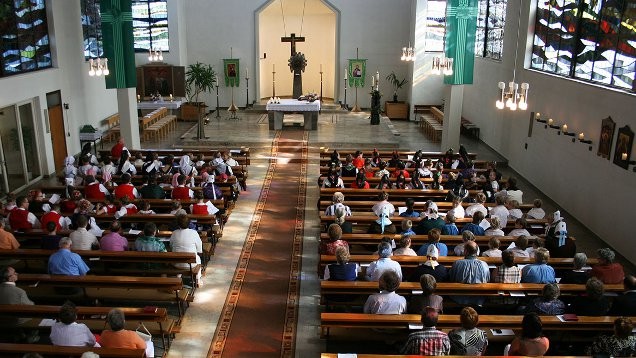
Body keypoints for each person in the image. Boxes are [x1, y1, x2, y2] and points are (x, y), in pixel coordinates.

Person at [0, 266, 37, 343]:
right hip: (16, 321)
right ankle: (31, 336)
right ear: (10, 278)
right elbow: (30, 307)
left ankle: (19, 334)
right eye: (14, 273)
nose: (17, 274)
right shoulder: (20, 292)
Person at [170, 215, 203, 282]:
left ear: (178, 224)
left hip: (176, 263)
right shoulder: (194, 232)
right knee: (198, 258)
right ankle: (198, 279)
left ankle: (178, 276)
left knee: (180, 256)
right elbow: (199, 249)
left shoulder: (174, 233)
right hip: (191, 264)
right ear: (189, 223)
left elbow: (171, 246)